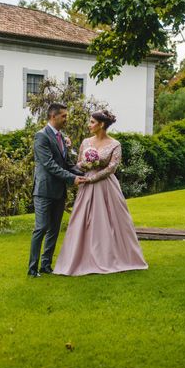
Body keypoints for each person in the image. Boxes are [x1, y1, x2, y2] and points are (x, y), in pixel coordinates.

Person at [54, 109, 148, 276]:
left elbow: (112, 168)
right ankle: (81, 257)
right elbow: (78, 164)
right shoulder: (86, 142)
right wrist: (86, 165)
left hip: (106, 186)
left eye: (92, 122)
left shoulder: (115, 144)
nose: (89, 125)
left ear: (101, 124)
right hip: (86, 185)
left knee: (112, 221)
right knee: (83, 220)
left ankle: (114, 256)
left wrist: (93, 178)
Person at [28, 103, 86, 278]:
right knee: (41, 228)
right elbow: (49, 165)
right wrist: (72, 179)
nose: (66, 119)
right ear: (53, 116)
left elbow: (67, 164)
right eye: (64, 116)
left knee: (54, 229)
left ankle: (46, 266)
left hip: (59, 191)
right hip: (44, 191)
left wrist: (87, 172)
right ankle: (32, 269)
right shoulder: (41, 137)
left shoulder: (61, 137)